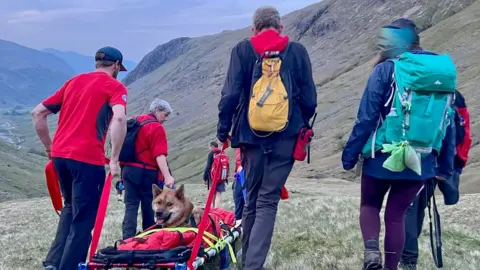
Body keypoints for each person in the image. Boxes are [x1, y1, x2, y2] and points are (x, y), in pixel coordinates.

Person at [341, 18, 456, 270]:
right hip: (421, 160)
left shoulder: (385, 70)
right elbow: (448, 123)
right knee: (396, 216)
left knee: (370, 205)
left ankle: (371, 251)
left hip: (382, 157)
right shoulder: (442, 75)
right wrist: (444, 168)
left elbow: (367, 117)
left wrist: (349, 157)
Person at [216, 6, 317, 269]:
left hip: (250, 138)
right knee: (267, 199)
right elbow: (310, 99)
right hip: (286, 137)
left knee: (252, 199)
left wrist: (222, 132)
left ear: (254, 29)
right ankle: (252, 264)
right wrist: (300, 123)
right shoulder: (296, 51)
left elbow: (230, 95)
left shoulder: (242, 49)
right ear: (281, 28)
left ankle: (247, 260)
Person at [32, 46, 128, 270]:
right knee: (83, 219)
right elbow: (120, 119)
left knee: (69, 208)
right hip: (87, 160)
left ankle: (53, 263)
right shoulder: (114, 85)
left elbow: (38, 113)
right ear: (116, 66)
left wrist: (49, 147)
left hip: (60, 157)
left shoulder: (73, 82)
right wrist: (114, 160)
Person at [400, 89, 472, 269]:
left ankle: (408, 260)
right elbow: (463, 132)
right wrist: (453, 165)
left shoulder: (408, 86)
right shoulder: (452, 93)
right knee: (418, 208)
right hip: (437, 160)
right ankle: (407, 258)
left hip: (409, 156)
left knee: (408, 208)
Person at [121, 98, 175, 240]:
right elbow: (159, 155)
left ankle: (127, 239)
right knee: (149, 205)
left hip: (128, 170)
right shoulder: (156, 127)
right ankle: (151, 237)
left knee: (131, 206)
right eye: (165, 114)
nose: (166, 118)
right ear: (157, 110)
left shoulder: (134, 121)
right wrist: (168, 176)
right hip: (146, 173)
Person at [202, 141, 226, 208]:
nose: (209, 148)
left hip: (213, 177)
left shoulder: (211, 154)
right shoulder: (222, 153)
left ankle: (212, 208)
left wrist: (205, 178)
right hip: (222, 177)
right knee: (218, 194)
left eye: (209, 146)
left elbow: (208, 167)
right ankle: (216, 208)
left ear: (212, 146)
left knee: (212, 193)